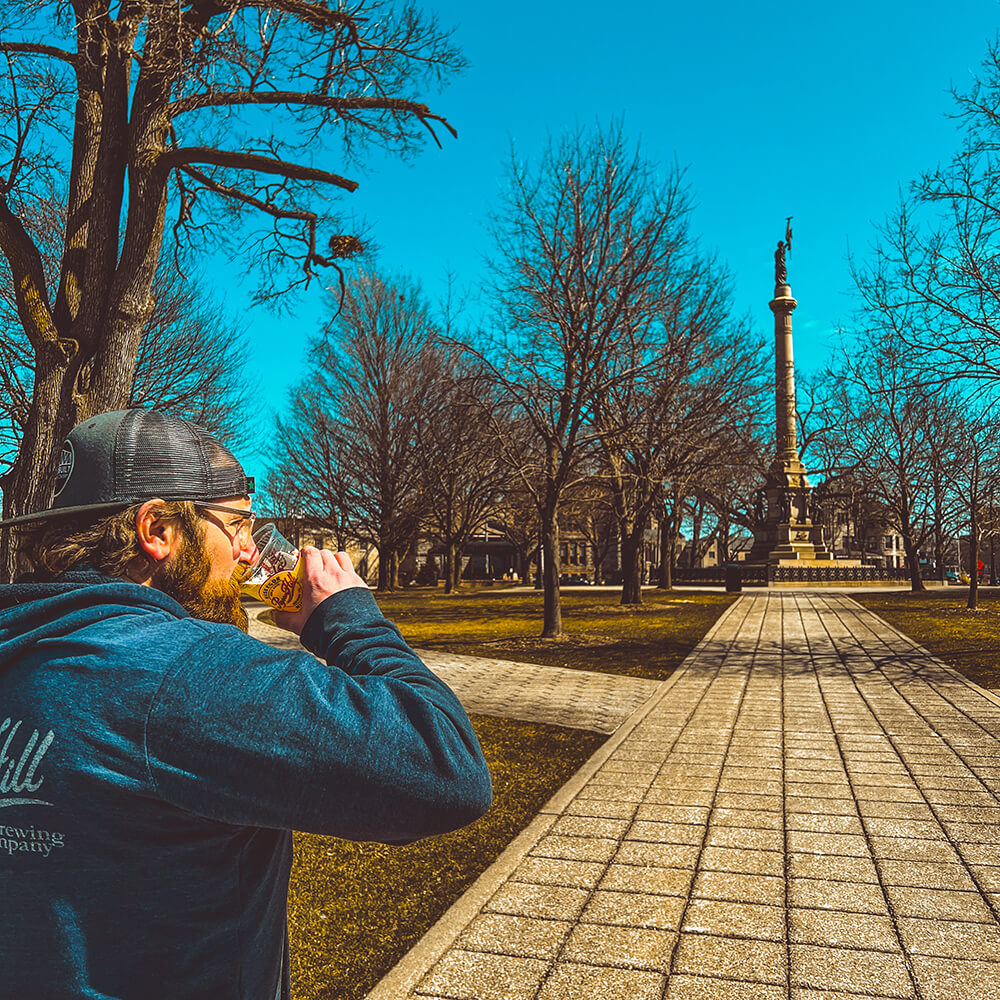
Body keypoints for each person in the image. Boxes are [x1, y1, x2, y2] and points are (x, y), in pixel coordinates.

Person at [0, 408, 492, 1000]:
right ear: (156, 530)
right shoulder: (187, 673)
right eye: (236, 524)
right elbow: (444, 768)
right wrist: (351, 621)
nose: (246, 551)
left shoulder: (19, 648)